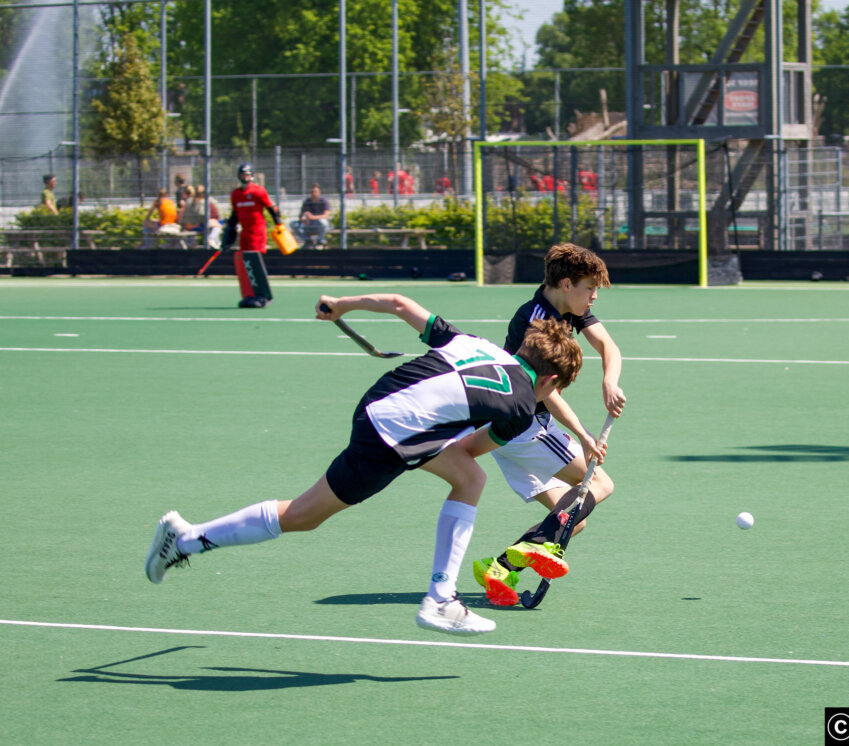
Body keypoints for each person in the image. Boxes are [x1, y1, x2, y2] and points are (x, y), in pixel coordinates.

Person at [145, 292, 584, 636]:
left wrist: (342, 305)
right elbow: (470, 448)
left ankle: (442, 596)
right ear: (549, 380)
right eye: (554, 391)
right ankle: (187, 540)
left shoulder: (476, 344)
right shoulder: (522, 407)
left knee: (469, 479)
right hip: (393, 434)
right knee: (303, 515)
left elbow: (400, 305)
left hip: (380, 403)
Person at [472, 243, 625, 606]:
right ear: (567, 284)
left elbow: (609, 347)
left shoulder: (567, 307)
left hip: (507, 429)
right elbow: (544, 390)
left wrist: (609, 381)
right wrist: (583, 434)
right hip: (524, 426)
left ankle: (498, 569)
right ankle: (528, 550)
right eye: (590, 288)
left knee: (571, 518)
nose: (594, 297)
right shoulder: (536, 322)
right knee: (600, 483)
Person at [221, 162, 282, 308]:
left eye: (248, 174)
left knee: (255, 262)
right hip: (245, 233)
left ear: (252, 176)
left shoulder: (258, 191)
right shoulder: (236, 194)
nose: (245, 177)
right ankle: (249, 295)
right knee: (246, 263)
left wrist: (279, 224)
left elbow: (271, 208)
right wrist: (228, 236)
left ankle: (262, 296)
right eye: (243, 174)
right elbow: (235, 215)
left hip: (257, 232)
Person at [289, 183, 331, 249]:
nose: (313, 193)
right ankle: (308, 241)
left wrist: (312, 217)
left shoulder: (324, 201)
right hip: (308, 224)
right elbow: (301, 215)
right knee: (293, 224)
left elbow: (326, 216)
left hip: (319, 225)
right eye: (312, 191)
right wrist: (303, 219)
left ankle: (320, 242)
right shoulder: (307, 202)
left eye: (315, 191)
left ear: (319, 192)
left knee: (324, 222)